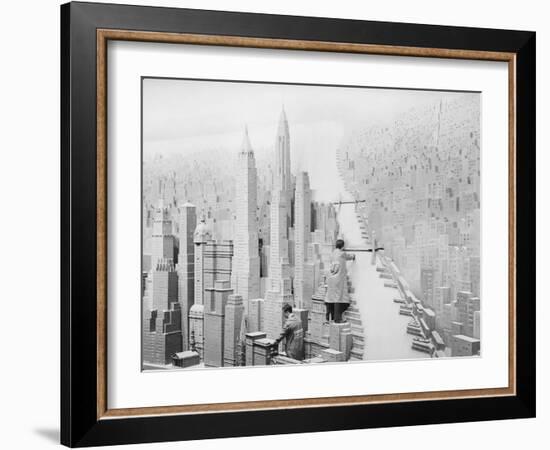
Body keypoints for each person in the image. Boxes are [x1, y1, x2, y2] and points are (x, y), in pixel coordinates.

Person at [325, 238, 355, 323]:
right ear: (342, 246)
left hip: (331, 278)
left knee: (331, 298)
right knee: (339, 298)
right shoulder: (342, 253)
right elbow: (350, 256)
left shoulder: (332, 253)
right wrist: (353, 256)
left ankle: (330, 317)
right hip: (338, 279)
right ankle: (338, 319)